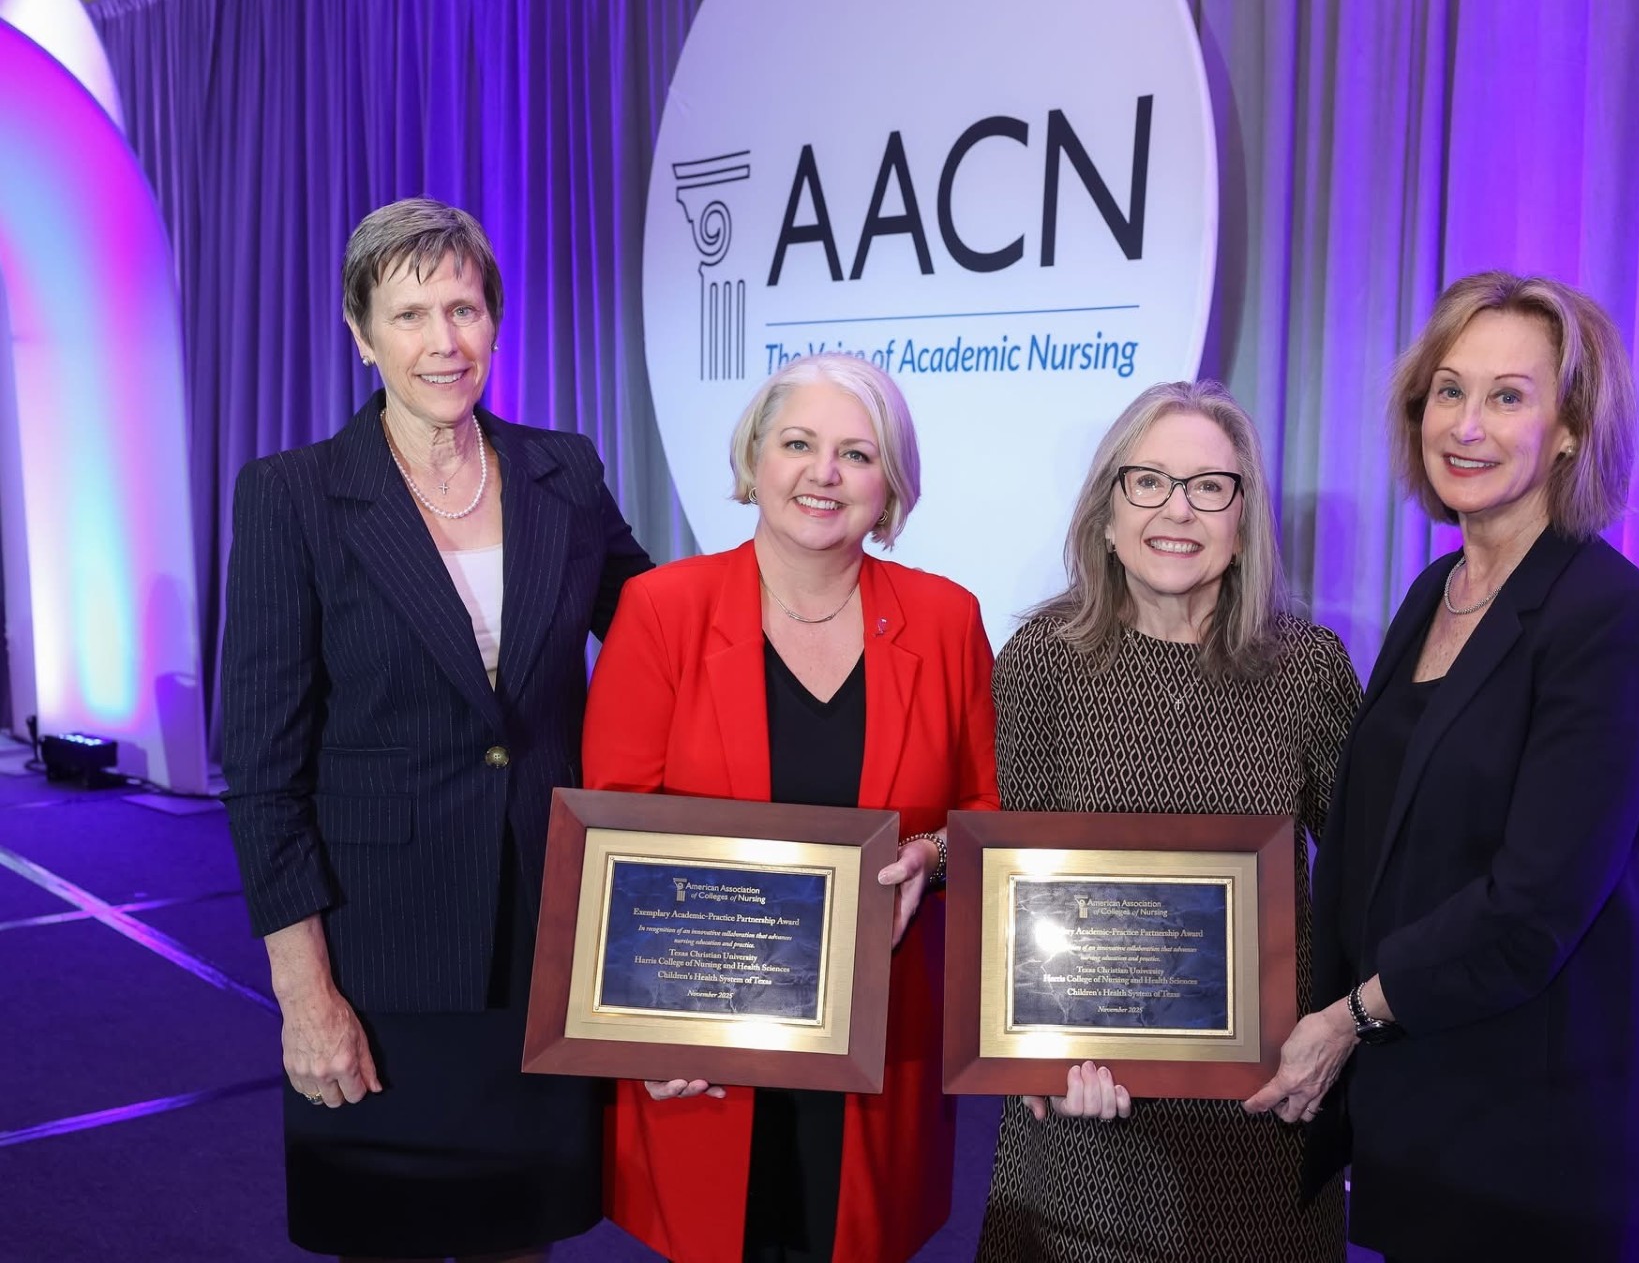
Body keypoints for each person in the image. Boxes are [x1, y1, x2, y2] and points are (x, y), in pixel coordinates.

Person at [220, 197, 654, 1261]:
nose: (443, 341)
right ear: (362, 335)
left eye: (463, 308)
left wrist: (808, 569)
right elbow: (264, 772)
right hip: (380, 953)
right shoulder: (295, 496)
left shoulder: (564, 472)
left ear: (494, 321)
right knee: (391, 1239)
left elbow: (663, 631)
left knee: (520, 1235)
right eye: (409, 315)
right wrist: (304, 994)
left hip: (543, 930)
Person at [1248, 271, 1639, 1260]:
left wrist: (1349, 1017)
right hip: (1423, 1098)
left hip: (1541, 1127)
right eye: (1449, 390)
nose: (1467, 425)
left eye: (1508, 396)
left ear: (1570, 429)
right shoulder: (1437, 590)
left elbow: (1536, 902)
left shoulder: (1608, 618)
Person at [582, 353, 997, 1263]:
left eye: (858, 454)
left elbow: (981, 817)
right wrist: (643, 1030)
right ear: (753, 459)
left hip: (879, 1039)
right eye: (799, 444)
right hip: (702, 1037)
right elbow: (612, 839)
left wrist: (930, 856)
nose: (824, 473)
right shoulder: (662, 610)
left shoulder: (947, 620)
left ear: (890, 485)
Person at [974, 380, 1359, 1262]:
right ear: (1107, 514)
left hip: (1259, 1118)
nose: (1177, 510)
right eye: (1148, 482)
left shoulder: (1307, 669)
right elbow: (1008, 887)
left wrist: (1339, 1030)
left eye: (1209, 487)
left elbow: (1365, 879)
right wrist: (1030, 1055)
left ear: (1243, 522)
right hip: (1081, 1118)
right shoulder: (1041, 662)